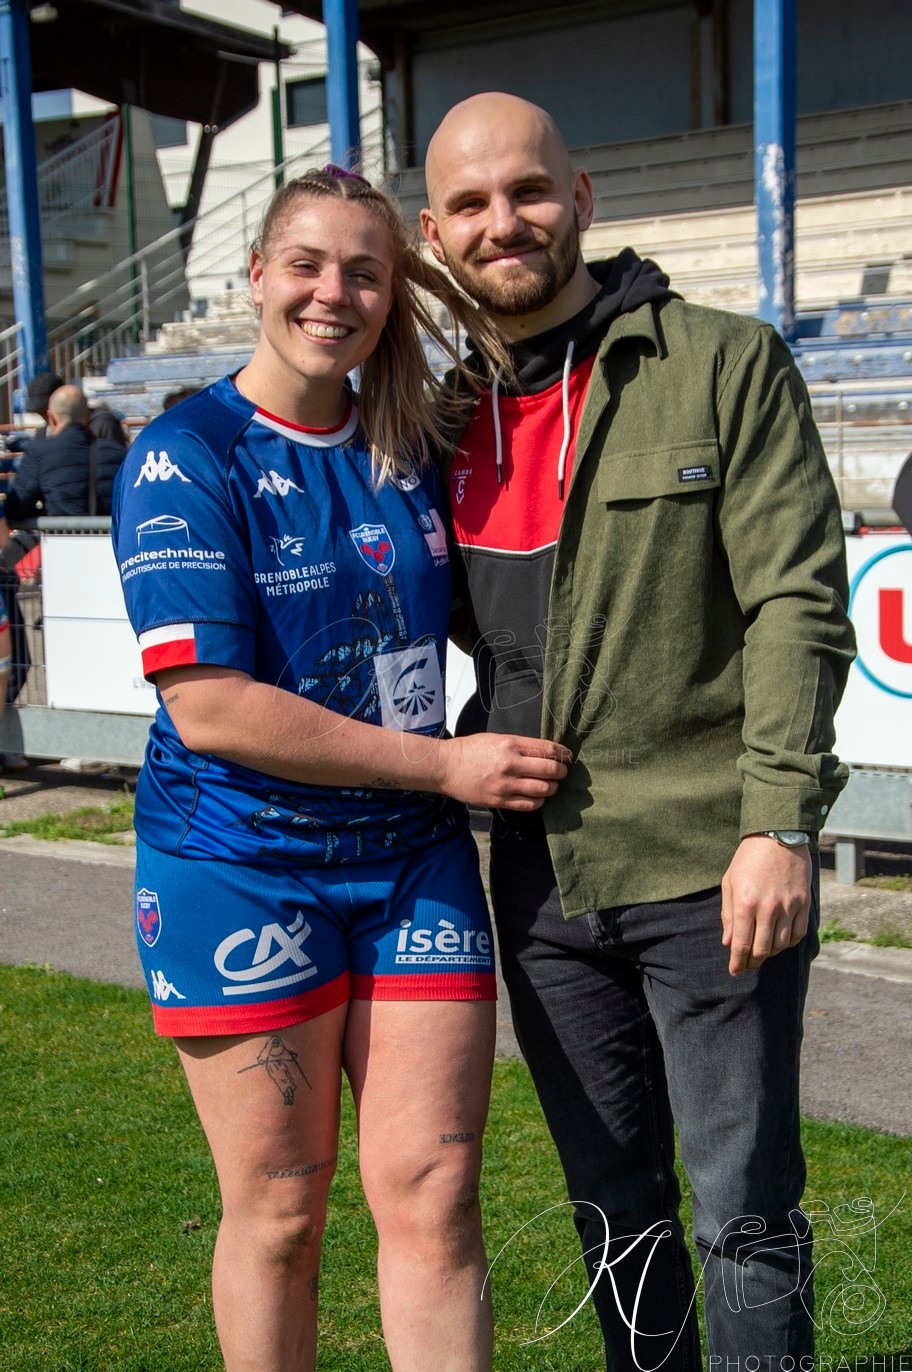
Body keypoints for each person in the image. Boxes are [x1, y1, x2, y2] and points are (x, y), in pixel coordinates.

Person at [419, 93, 857, 1370]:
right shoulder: (441, 421)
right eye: (472, 205)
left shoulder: (721, 359)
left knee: (742, 1213)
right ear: (440, 237)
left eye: (531, 191)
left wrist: (779, 820)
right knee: (617, 1213)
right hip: (542, 887)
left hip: (711, 865)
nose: (508, 222)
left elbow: (797, 598)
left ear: (584, 197)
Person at [111, 166, 570, 1372]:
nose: (335, 292)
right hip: (241, 867)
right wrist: (443, 764)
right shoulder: (182, 456)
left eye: (367, 270)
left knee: (436, 1193)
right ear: (255, 275)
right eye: (307, 263)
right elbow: (211, 707)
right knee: (281, 1208)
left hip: (409, 864)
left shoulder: (408, 440)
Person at [4, 384, 127, 520]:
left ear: (51, 417)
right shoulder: (118, 453)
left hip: (59, 539)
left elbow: (14, 508)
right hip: (109, 539)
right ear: (88, 416)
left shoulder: (38, 452)